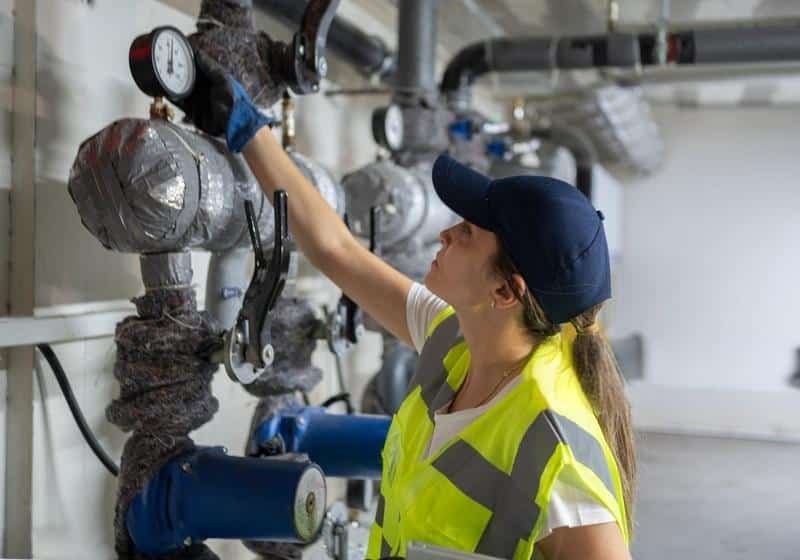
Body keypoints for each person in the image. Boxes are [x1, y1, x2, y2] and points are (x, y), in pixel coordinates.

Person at [178, 53, 636, 560]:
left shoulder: (557, 458)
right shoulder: (456, 342)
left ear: (506, 292)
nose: (445, 234)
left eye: (467, 232)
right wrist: (248, 130)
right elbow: (337, 249)